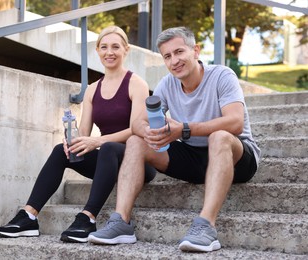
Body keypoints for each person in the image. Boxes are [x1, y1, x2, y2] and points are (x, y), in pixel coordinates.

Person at [88, 26, 260, 252]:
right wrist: (147, 132)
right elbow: (138, 123)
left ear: (195, 51)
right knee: (135, 141)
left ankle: (206, 226)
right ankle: (121, 222)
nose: (174, 61)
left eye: (179, 52)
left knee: (219, 137)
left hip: (237, 158)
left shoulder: (222, 75)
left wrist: (185, 129)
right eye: (167, 56)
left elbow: (235, 122)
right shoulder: (167, 84)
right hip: (194, 159)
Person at [0, 25, 156, 243]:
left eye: (116, 47)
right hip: (109, 161)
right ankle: (29, 216)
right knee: (61, 151)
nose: (110, 52)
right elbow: (84, 133)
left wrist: (98, 140)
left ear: (126, 50)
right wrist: (72, 141)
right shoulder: (92, 89)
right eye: (104, 47)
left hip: (139, 162)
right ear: (97, 51)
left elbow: (138, 129)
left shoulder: (137, 84)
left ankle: (87, 218)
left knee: (108, 147)